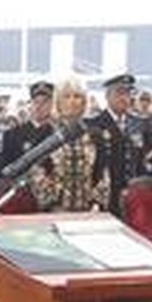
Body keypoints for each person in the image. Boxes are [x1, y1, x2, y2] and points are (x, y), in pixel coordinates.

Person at [89, 73, 152, 216]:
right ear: (107, 96)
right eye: (119, 93)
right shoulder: (94, 124)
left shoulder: (139, 123)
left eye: (128, 93)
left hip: (132, 197)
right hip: (105, 198)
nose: (124, 97)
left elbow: (145, 159)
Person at [27, 76, 103, 212]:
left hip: (89, 210)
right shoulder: (45, 132)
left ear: (84, 101)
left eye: (77, 96)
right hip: (54, 209)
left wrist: (96, 202)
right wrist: (51, 204)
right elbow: (36, 171)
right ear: (58, 101)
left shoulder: (94, 133)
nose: (72, 101)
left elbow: (102, 171)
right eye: (66, 96)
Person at [0, 81, 56, 175]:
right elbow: (4, 170)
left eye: (45, 101)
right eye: (36, 101)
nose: (39, 106)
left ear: (52, 105)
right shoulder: (12, 135)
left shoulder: (58, 133)